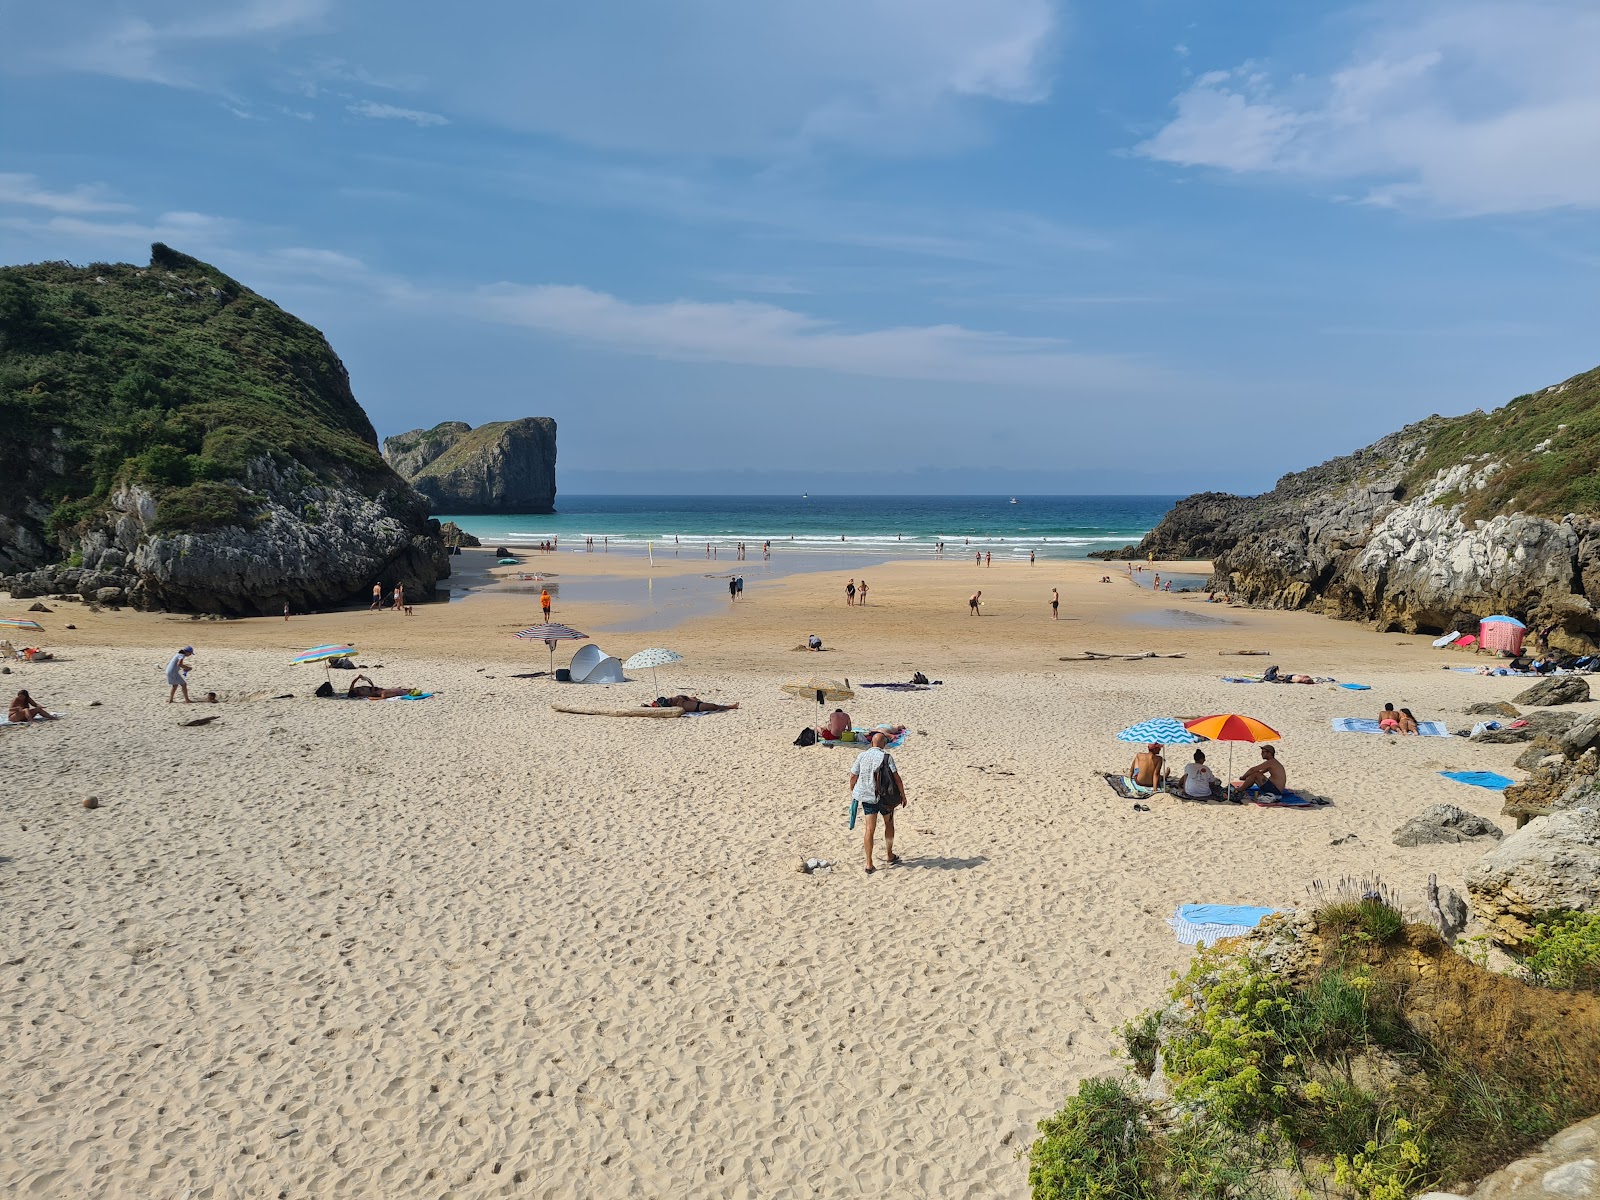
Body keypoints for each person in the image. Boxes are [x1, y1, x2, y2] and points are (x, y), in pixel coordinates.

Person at [850, 730, 905, 873]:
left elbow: (853, 776)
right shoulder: (886, 757)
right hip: (884, 797)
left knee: (869, 829)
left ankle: (869, 863)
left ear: (871, 743)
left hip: (867, 797)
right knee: (889, 824)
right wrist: (903, 795)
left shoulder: (862, 756)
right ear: (884, 745)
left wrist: (854, 791)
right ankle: (889, 854)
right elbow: (897, 778)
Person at [346, 674, 414, 700]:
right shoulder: (362, 693)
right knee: (391, 691)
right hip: (376, 691)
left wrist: (358, 677)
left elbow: (353, 683)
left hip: (376, 689)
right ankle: (407, 691)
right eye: (356, 690)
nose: (357, 689)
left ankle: (406, 690)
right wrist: (371, 683)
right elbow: (372, 693)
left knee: (391, 690)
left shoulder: (355, 690)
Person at [647, 694, 739, 713]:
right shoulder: (677, 704)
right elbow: (680, 709)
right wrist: (681, 701)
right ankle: (730, 707)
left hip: (696, 704)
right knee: (714, 706)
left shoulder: (676, 699)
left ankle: (729, 707)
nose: (669, 699)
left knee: (713, 706)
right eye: (669, 700)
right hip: (697, 707)